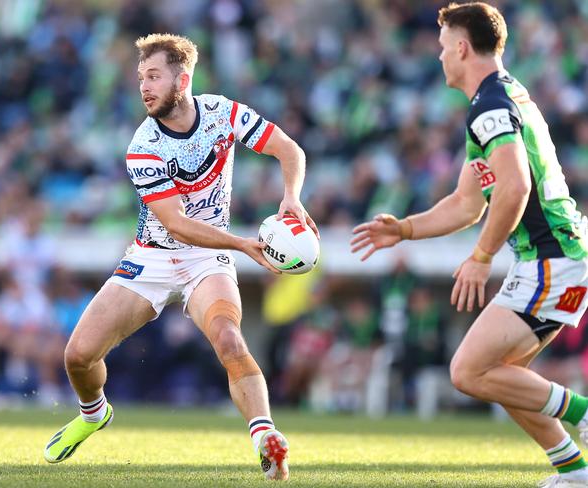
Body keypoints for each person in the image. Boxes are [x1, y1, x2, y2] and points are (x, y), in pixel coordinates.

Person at [43, 33, 318, 481]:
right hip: (153, 257)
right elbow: (175, 224)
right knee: (77, 355)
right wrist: (243, 244)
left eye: (154, 76)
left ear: (182, 79)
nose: (144, 87)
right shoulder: (143, 145)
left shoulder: (223, 114)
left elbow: (289, 149)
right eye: (140, 78)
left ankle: (265, 438)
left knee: (229, 339)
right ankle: (94, 415)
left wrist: (291, 196)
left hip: (205, 260)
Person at [351, 3, 588, 487]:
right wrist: (406, 229)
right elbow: (466, 202)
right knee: (502, 376)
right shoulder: (501, 98)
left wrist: (481, 258)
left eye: (442, 48)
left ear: (461, 47)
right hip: (558, 258)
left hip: (552, 260)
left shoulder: (491, 106)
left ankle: (583, 415)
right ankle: (574, 471)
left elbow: (515, 187)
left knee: (468, 371)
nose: (439, 58)